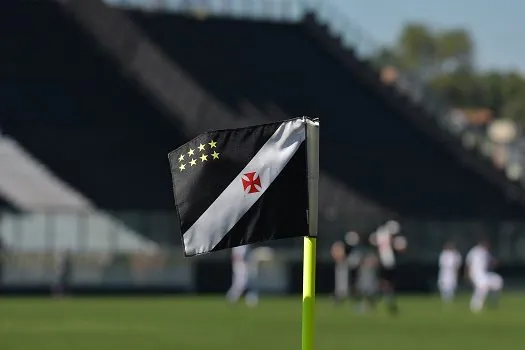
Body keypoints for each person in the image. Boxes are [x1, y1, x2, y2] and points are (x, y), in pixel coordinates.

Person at [371, 220, 407, 315]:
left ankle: (381, 301)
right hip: (387, 261)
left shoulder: (380, 233)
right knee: (387, 284)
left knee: (384, 284)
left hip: (383, 261)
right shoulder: (387, 236)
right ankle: (385, 302)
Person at [465, 239, 503, 312]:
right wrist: (466, 274)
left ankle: (493, 303)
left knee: (498, 281)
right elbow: (468, 263)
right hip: (475, 274)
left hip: (484, 274)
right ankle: (475, 306)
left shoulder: (486, 252)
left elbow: (491, 262)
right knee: (483, 287)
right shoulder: (474, 251)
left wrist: (496, 262)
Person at [330, 231, 362, 303]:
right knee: (341, 283)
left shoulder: (352, 248)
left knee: (346, 283)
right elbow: (335, 253)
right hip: (341, 266)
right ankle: (338, 296)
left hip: (345, 266)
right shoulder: (340, 244)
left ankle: (343, 295)